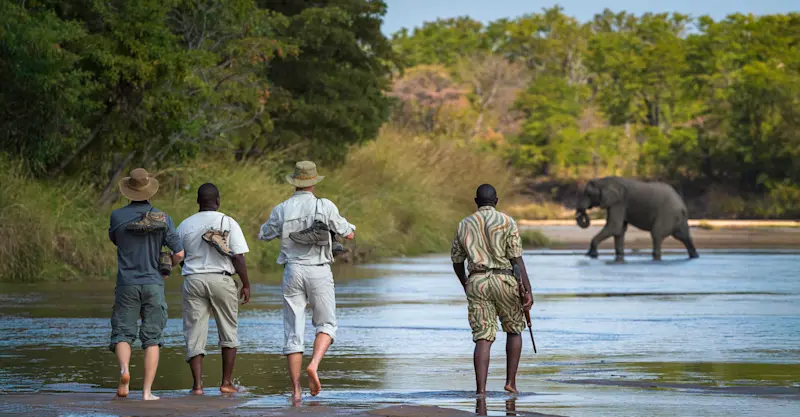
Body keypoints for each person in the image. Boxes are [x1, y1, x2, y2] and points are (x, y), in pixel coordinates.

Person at [258, 161, 355, 403]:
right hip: (319, 270)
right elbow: (349, 232)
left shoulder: (282, 208)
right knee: (327, 325)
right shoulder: (325, 205)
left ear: (295, 182)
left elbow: (264, 234)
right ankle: (313, 365)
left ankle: (295, 391)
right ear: (313, 182)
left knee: (293, 332)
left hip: (292, 271)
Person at [108, 168, 184, 400]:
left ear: (128, 191)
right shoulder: (163, 218)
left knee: (122, 332)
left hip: (126, 283)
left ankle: (124, 371)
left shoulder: (117, 216)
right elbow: (179, 253)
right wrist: (167, 264)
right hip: (153, 283)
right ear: (149, 190)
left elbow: (116, 240)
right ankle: (147, 392)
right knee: (152, 338)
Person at [451, 184, 534, 396]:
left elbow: (457, 261)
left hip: (477, 281)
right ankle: (511, 382)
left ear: (476, 201)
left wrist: (466, 283)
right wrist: (528, 289)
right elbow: (516, 258)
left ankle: (481, 390)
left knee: (483, 336)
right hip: (505, 279)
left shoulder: (464, 224)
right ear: (496, 200)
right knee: (514, 329)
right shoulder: (507, 222)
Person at [176, 183, 252, 395]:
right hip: (222, 279)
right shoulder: (227, 222)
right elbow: (237, 256)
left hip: (193, 280)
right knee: (228, 330)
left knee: (194, 332)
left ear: (198, 201)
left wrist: (191, 269)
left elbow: (179, 256)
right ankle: (226, 383)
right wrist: (245, 284)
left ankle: (197, 386)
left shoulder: (184, 225)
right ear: (217, 201)